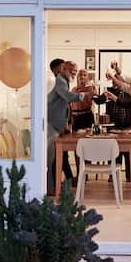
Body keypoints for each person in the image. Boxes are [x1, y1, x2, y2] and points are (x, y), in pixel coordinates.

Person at [47, 61, 92, 194]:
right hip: (51, 123)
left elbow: (65, 104)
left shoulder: (63, 80)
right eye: (72, 70)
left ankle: (53, 186)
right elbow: (67, 96)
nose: (74, 73)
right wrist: (83, 95)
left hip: (56, 124)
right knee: (50, 158)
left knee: (54, 157)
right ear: (63, 69)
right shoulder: (60, 80)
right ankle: (50, 188)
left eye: (76, 70)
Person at [93, 73, 131, 182]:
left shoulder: (129, 92)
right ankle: (112, 175)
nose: (115, 82)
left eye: (118, 80)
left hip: (127, 125)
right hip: (112, 125)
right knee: (114, 151)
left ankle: (129, 177)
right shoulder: (108, 90)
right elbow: (98, 101)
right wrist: (93, 93)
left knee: (128, 152)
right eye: (114, 80)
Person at [49, 58, 73, 186]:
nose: (66, 70)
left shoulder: (63, 81)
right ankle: (55, 184)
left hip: (61, 124)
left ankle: (68, 179)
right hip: (53, 125)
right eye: (63, 68)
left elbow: (67, 106)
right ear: (56, 70)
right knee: (55, 156)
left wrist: (68, 123)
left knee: (62, 154)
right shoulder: (55, 83)